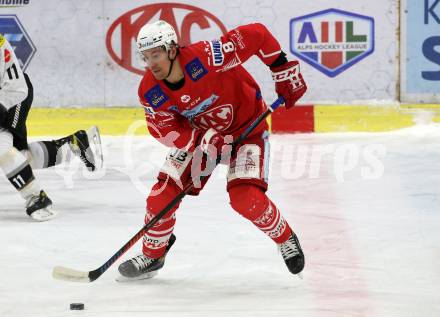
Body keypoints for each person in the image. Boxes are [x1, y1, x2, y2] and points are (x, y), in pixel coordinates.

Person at [117, 21, 307, 280]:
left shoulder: (207, 57)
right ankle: (153, 256)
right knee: (161, 195)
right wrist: (202, 139)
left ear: (172, 50)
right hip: (203, 139)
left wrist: (281, 67)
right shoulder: (150, 90)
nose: (152, 63)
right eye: (146, 56)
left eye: (156, 54)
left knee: (246, 198)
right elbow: (162, 130)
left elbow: (258, 34)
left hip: (247, 130)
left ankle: (285, 238)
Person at [0, 34, 103, 221]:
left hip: (13, 95)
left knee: (1, 148)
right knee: (20, 159)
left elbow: (16, 87)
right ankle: (74, 145)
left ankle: (37, 198)